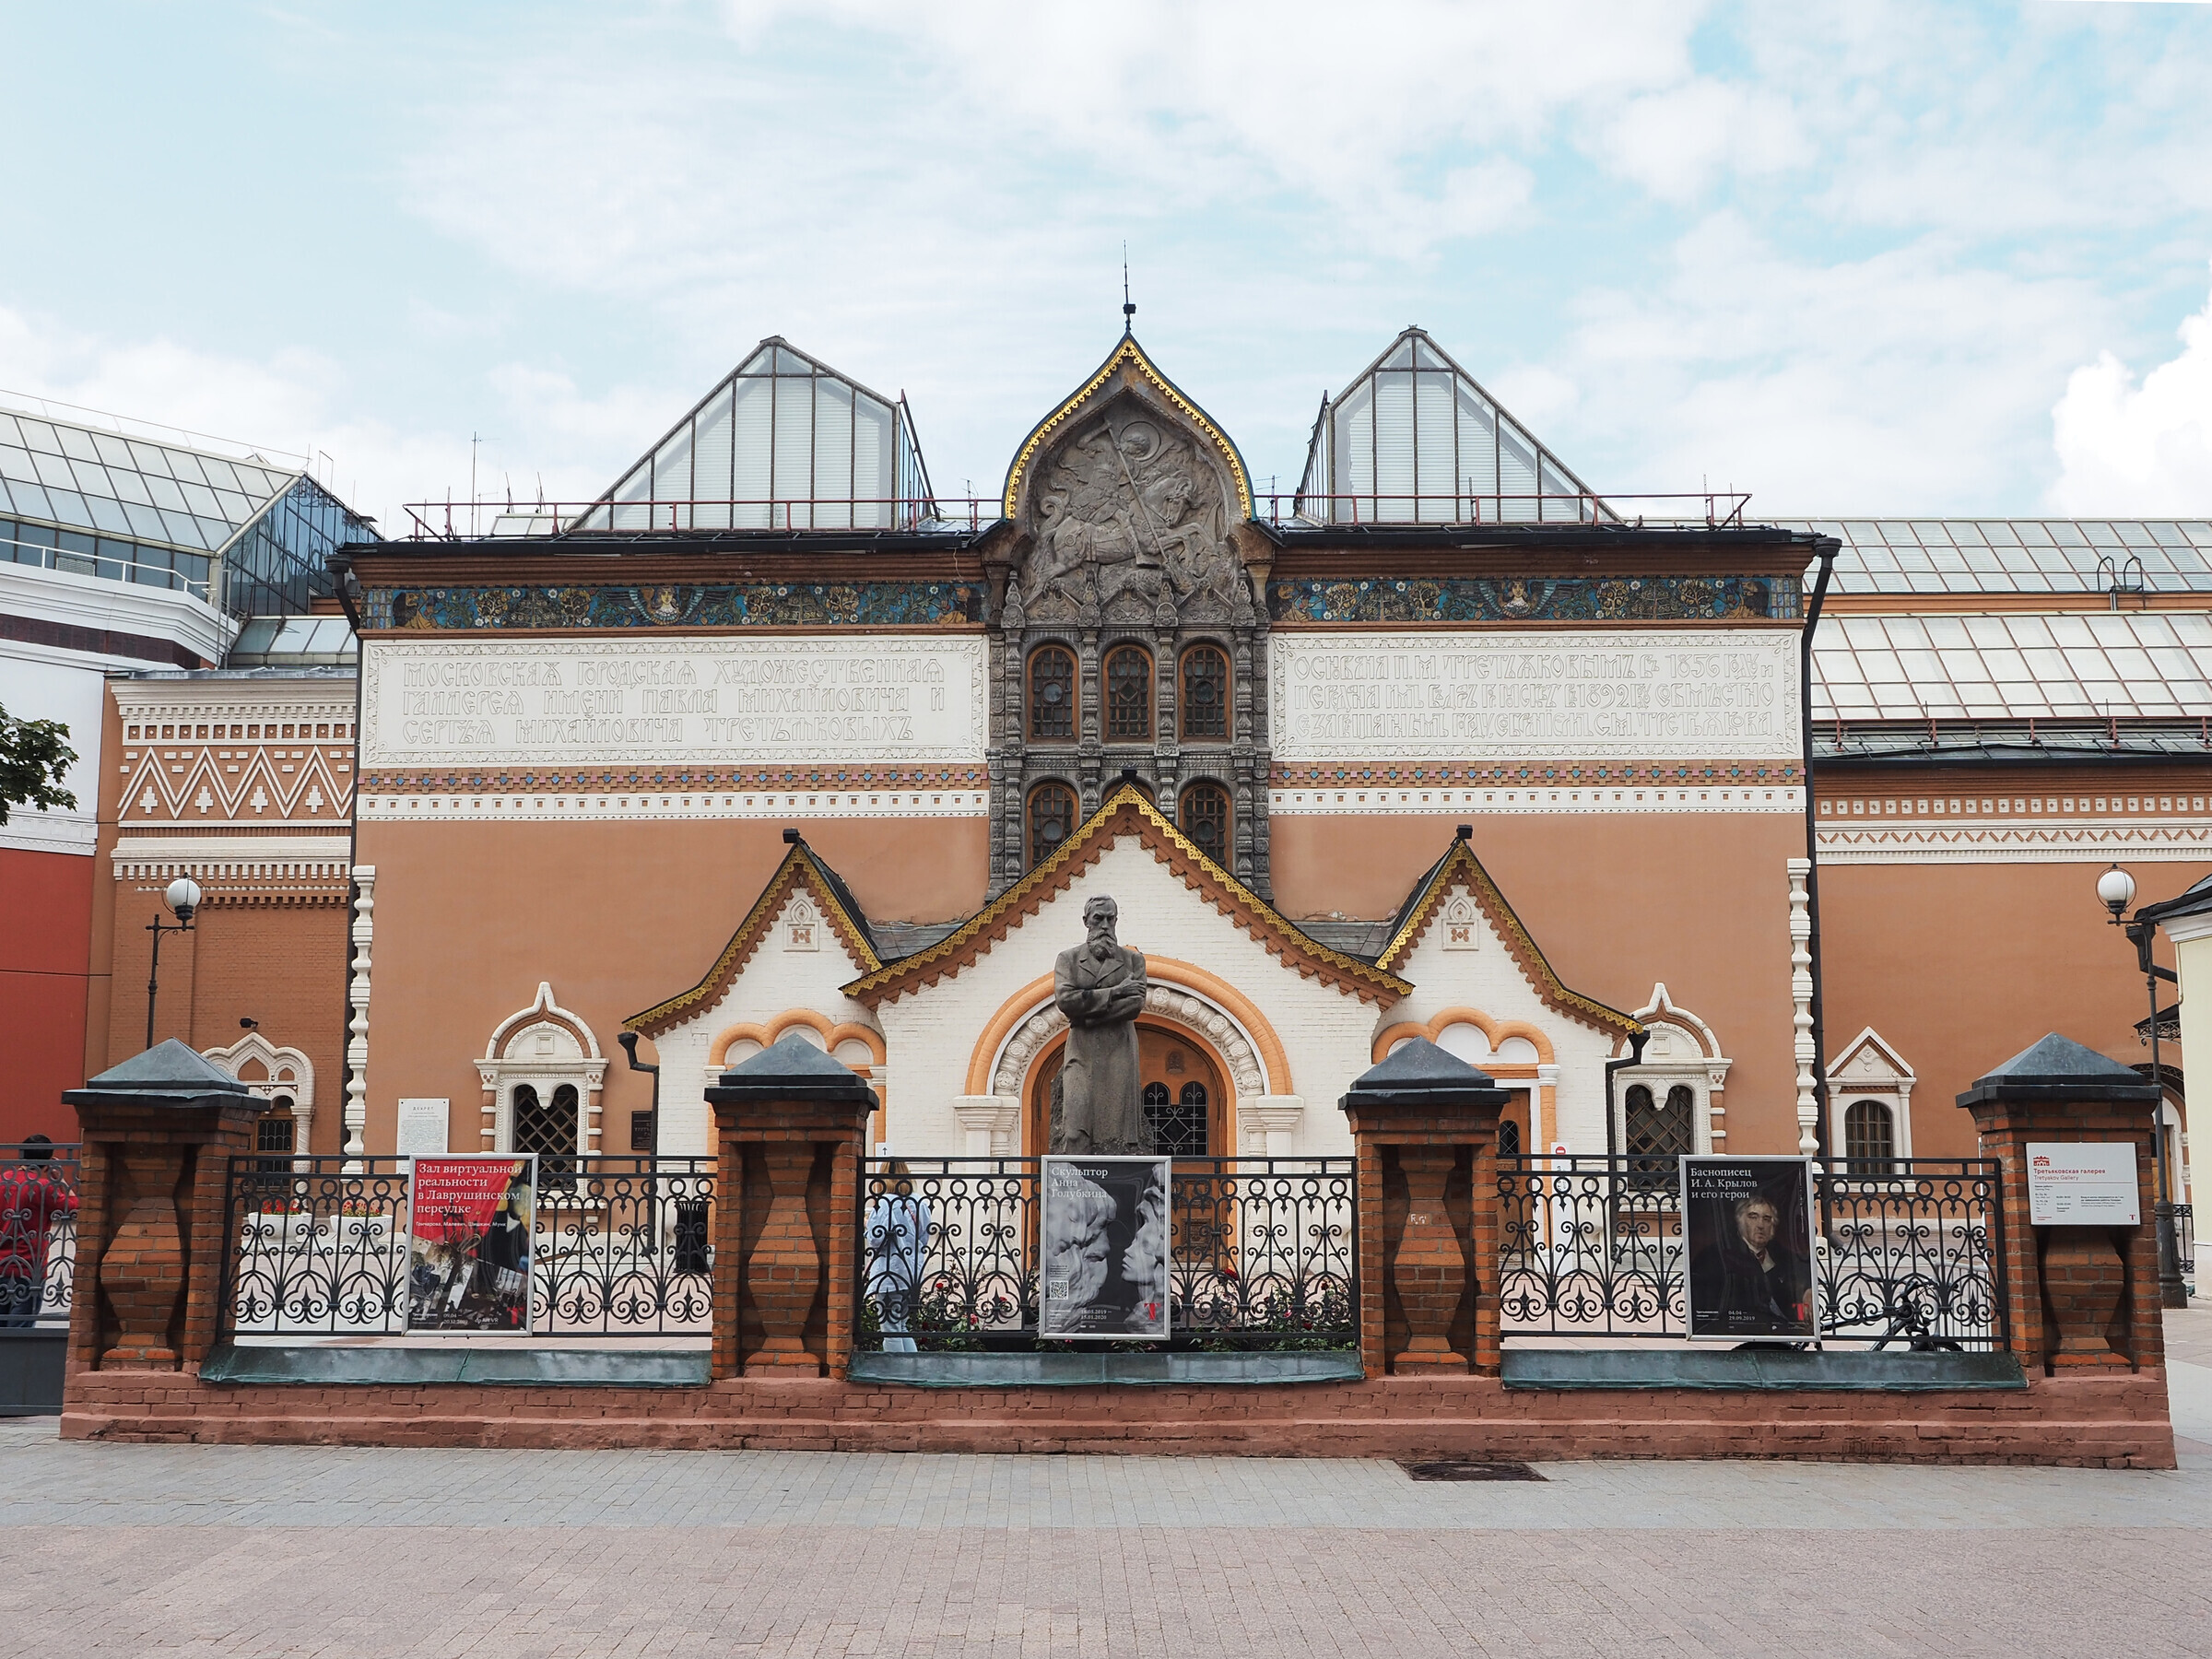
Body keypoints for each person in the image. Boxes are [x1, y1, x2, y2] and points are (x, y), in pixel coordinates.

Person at [1052, 896, 1148, 1154]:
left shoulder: (1132, 961)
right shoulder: (1068, 960)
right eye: (1098, 918)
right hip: (1081, 1050)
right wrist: (1117, 991)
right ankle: (1075, 1187)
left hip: (1118, 1051)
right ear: (1086, 921)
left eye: (1110, 919)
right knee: (1074, 1127)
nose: (1105, 925)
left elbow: (1135, 1005)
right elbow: (1066, 1000)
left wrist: (1087, 1016)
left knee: (1116, 1134)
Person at [1689, 1193, 1810, 1335]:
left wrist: (1808, 1290)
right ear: (1740, 1221)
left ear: (1773, 1226)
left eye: (1767, 1219)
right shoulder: (1715, 1255)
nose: (1760, 1225)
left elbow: (1801, 1272)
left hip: (1782, 1329)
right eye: (1753, 1217)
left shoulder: (1783, 1255)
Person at [1, 1136, 76, 1328]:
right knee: (19, 1333)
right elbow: (74, 1207)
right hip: (29, 1268)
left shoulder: (3, 1180)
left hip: (1, 1264)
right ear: (48, 1162)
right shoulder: (42, 1186)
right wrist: (59, 1179)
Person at [865, 1168, 933, 1354]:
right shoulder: (918, 1201)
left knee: (890, 1330)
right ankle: (912, 1369)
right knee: (901, 1326)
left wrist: (866, 1225)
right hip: (911, 1272)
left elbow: (876, 1239)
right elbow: (924, 1236)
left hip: (889, 1273)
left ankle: (895, 1372)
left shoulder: (885, 1203)